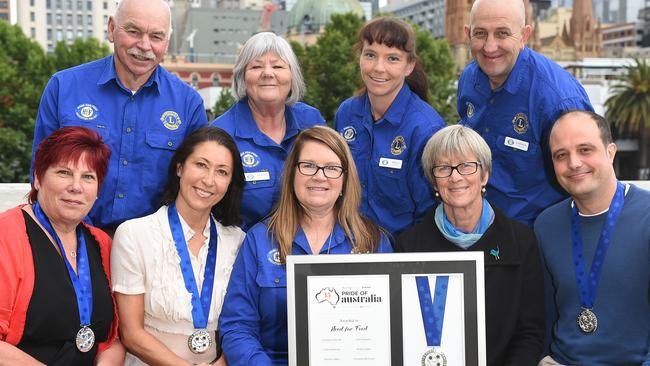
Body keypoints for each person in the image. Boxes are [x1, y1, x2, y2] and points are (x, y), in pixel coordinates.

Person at [219, 126, 393, 365]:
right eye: (308, 165)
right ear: (292, 173)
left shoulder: (374, 242)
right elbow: (237, 325)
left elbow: (390, 329)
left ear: (345, 179)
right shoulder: (259, 240)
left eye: (331, 168)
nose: (319, 176)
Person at [32, 0, 208, 233]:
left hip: (153, 245)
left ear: (167, 42)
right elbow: (40, 172)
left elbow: (195, 185)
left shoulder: (188, 104)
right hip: (72, 237)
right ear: (111, 28)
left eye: (156, 36)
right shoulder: (63, 88)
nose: (144, 45)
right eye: (134, 31)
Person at [395, 125, 545, 366]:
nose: (455, 177)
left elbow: (530, 332)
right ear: (434, 182)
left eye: (466, 166)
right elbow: (406, 333)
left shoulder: (521, 241)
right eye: (443, 168)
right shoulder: (409, 247)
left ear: (484, 175)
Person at [110, 127, 246, 366]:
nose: (209, 180)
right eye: (201, 165)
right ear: (180, 167)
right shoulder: (133, 235)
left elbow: (246, 324)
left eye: (222, 172)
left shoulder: (238, 241)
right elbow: (131, 334)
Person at [457, 0, 593, 226]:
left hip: (536, 235)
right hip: (479, 228)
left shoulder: (557, 98)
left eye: (502, 34)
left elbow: (586, 177)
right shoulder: (469, 78)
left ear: (524, 35)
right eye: (480, 34)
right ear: (467, 34)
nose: (490, 47)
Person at [0, 127, 124, 365]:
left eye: (88, 177)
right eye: (64, 172)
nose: (76, 187)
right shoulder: (6, 234)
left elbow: (113, 337)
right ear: (38, 177)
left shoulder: (102, 244)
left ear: (97, 190)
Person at [534, 111, 650, 365]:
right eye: (561, 155)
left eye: (585, 149)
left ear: (610, 152)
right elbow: (545, 311)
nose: (574, 163)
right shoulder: (546, 225)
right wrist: (543, 357)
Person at [334, 16, 445, 236]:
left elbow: (430, 213)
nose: (378, 68)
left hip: (399, 253)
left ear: (409, 66)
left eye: (392, 58)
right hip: (346, 247)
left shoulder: (425, 128)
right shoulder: (346, 113)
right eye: (370, 55)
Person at [212, 32, 325, 231]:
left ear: (292, 76)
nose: (267, 73)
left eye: (278, 66)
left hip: (307, 250)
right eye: (256, 66)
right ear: (242, 77)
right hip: (244, 253)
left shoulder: (312, 121)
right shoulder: (220, 135)